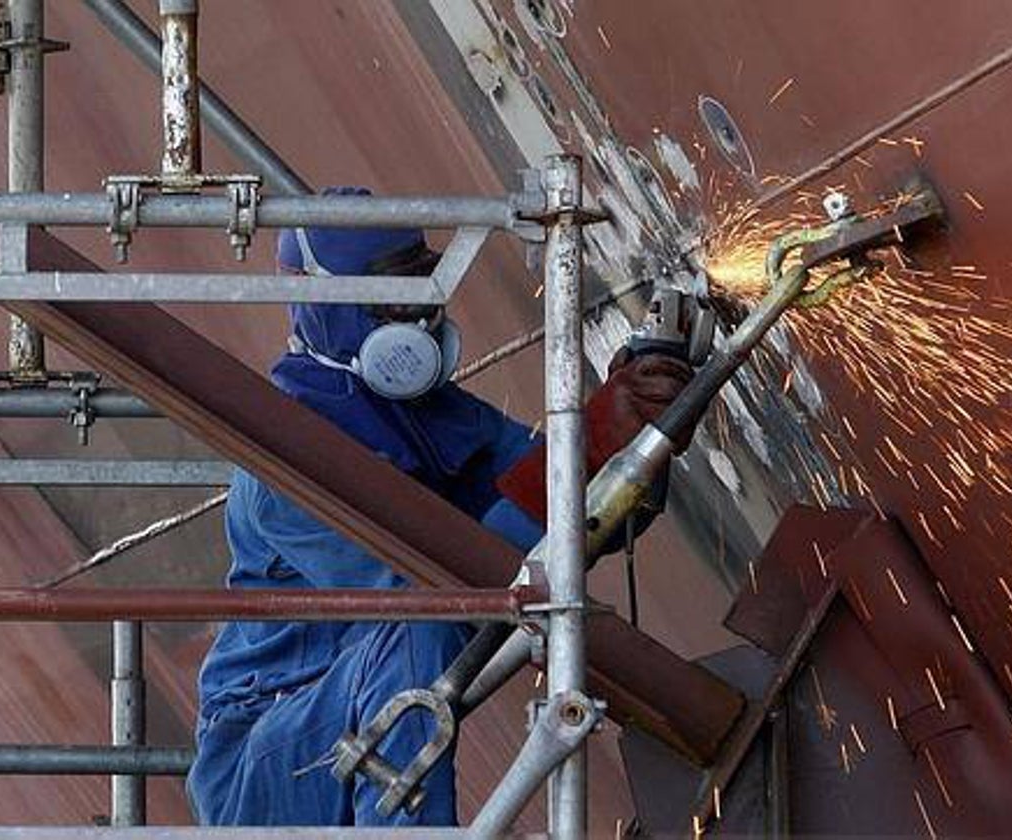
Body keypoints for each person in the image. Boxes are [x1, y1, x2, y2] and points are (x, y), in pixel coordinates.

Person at [187, 187, 693, 827]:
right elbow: (451, 600)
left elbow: (577, 524)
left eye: (425, 284)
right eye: (396, 294)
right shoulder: (283, 460)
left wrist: (639, 440)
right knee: (420, 620)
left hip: (362, 716)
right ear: (332, 303)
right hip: (265, 762)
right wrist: (585, 447)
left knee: (426, 626)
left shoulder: (434, 415)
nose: (418, 315)